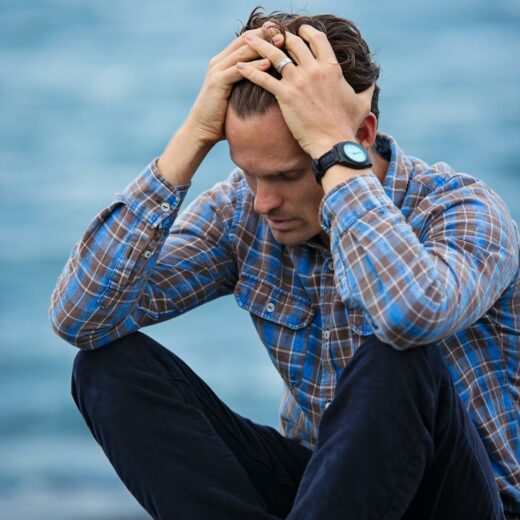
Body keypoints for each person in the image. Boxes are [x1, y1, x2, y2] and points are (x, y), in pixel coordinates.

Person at [49, 8, 519, 520]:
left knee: (400, 355)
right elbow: (81, 318)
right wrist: (192, 139)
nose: (262, 202)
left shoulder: (462, 210)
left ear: (360, 136)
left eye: (288, 175)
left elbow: (409, 314)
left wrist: (333, 154)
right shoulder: (243, 213)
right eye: (250, 175)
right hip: (324, 492)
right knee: (107, 368)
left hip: (463, 501)